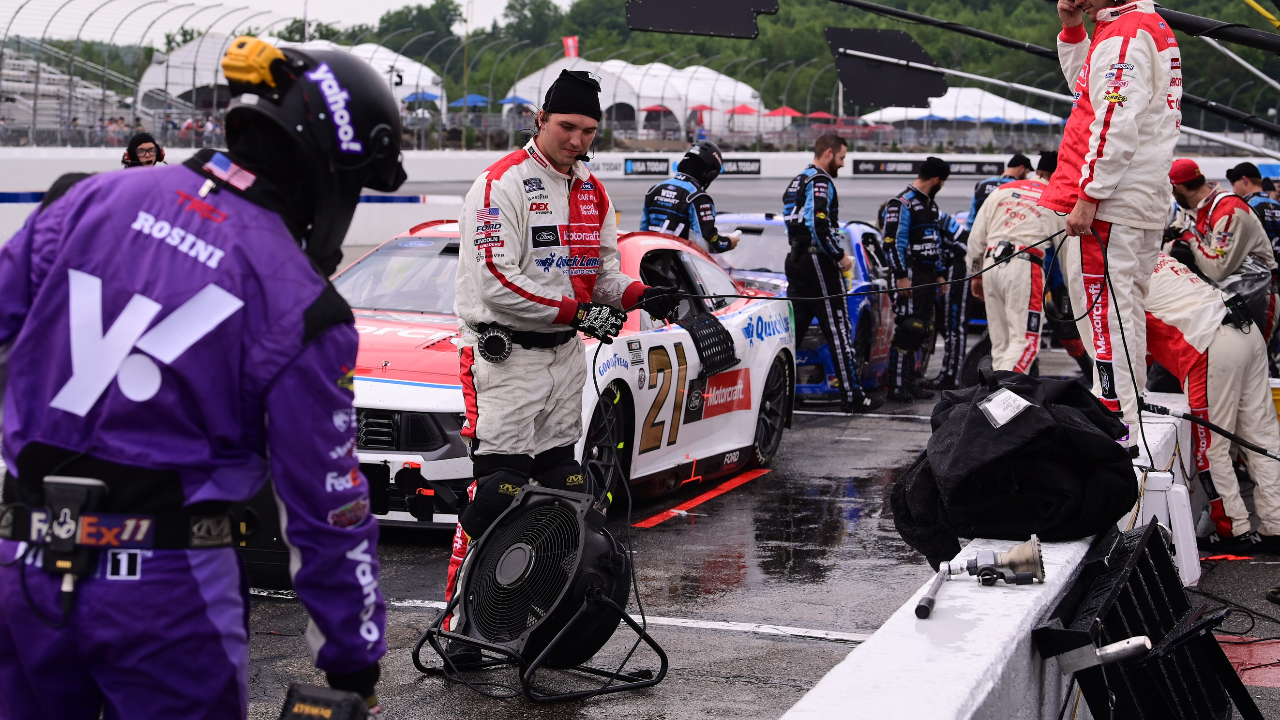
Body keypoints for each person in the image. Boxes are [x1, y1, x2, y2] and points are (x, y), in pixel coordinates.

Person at [0, 37, 406, 717]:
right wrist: (353, 658)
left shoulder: (84, 198)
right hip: (167, 589)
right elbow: (330, 508)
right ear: (328, 165)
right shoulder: (302, 302)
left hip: (24, 562)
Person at [446, 69, 681, 659]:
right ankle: (458, 625)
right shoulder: (500, 184)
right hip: (504, 360)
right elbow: (498, 283)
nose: (577, 141)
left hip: (565, 361)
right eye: (567, 126)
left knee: (563, 489)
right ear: (539, 120)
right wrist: (579, 313)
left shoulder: (592, 191)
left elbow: (601, 272)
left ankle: (526, 619)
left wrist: (634, 294)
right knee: (499, 490)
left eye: (588, 131)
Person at [1039, 0, 1183, 437]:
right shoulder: (1138, 26)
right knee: (1124, 310)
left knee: (1104, 311)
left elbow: (1113, 119)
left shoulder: (1125, 33)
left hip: (1113, 200)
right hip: (1137, 195)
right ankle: (1128, 406)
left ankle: (1117, 414)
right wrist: (1072, 31)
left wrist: (1089, 195)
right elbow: (1089, 92)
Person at [1143, 253, 1280, 553]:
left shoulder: (1118, 271)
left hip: (1210, 345)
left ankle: (1232, 529)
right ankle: (1276, 524)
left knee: (1211, 446)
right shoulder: (1160, 254)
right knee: (1263, 437)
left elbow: (1125, 344)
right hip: (1244, 328)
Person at [783, 133, 880, 413]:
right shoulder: (820, 180)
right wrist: (840, 256)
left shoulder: (796, 180)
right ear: (828, 153)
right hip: (818, 262)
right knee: (838, 328)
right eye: (841, 158)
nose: (842, 164)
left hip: (796, 259)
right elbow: (818, 224)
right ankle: (853, 396)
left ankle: (783, 395)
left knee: (792, 333)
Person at [968, 152, 1067, 374]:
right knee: (1025, 342)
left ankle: (993, 398)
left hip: (991, 266)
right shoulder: (1054, 197)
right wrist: (1073, 295)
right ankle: (1004, 400)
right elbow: (1067, 255)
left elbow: (975, 237)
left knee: (1001, 344)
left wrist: (976, 275)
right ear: (1059, 175)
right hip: (1024, 267)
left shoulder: (1001, 190)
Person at [882, 156, 950, 404]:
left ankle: (911, 381)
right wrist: (901, 276)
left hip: (928, 276)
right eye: (943, 180)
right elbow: (891, 244)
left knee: (922, 331)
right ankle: (897, 385)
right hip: (909, 275)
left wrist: (941, 273)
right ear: (936, 179)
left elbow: (936, 242)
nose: (943, 184)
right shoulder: (902, 203)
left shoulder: (931, 205)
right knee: (908, 329)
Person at [1169, 159, 1277, 284]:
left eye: (1172, 190)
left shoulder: (1228, 211)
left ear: (1180, 189)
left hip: (1256, 295)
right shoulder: (1190, 210)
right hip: (1223, 295)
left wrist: (1188, 238)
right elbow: (1171, 240)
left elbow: (1218, 269)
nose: (1172, 196)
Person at [640, 140, 741, 254]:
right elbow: (706, 242)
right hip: (676, 267)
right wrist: (728, 242)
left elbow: (643, 232)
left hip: (648, 264)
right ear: (710, 173)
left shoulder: (655, 190)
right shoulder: (698, 198)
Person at [930, 211, 971, 390]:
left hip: (959, 265)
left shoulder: (927, 213)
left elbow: (939, 246)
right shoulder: (929, 211)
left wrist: (940, 273)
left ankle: (954, 376)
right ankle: (948, 372)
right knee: (948, 324)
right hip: (954, 263)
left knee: (954, 323)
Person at [1227, 161, 1280, 266]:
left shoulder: (1245, 208)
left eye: (1234, 185)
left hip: (1261, 272)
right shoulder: (1277, 204)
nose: (1233, 190)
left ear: (1244, 180)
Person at [966, 153, 1033, 229]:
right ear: (1021, 168)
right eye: (1027, 173)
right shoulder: (1021, 187)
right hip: (1005, 234)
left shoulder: (983, 184)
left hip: (981, 233)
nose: (1026, 177)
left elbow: (971, 218)